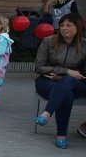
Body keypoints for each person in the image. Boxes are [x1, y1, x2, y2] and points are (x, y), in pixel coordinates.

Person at [34, 13, 86, 149]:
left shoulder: (84, 45)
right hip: (47, 82)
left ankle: (46, 113)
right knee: (66, 94)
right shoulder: (48, 41)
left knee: (68, 82)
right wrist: (66, 72)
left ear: (78, 27)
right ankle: (61, 135)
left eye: (69, 25)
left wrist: (64, 76)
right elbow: (39, 67)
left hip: (76, 84)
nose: (64, 28)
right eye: (62, 25)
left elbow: (83, 74)